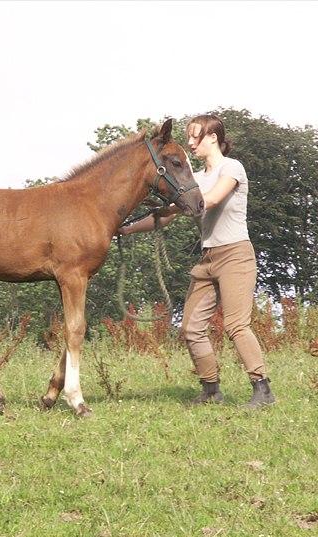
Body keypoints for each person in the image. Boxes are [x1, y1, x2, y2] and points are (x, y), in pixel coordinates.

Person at [118, 114, 275, 408]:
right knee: (190, 328)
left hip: (235, 255)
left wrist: (177, 200)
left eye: (195, 137)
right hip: (208, 259)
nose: (190, 143)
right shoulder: (196, 179)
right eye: (189, 137)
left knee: (236, 325)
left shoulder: (232, 168)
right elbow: (163, 220)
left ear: (213, 137)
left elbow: (211, 200)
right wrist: (126, 228)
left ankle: (262, 389)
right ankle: (211, 389)